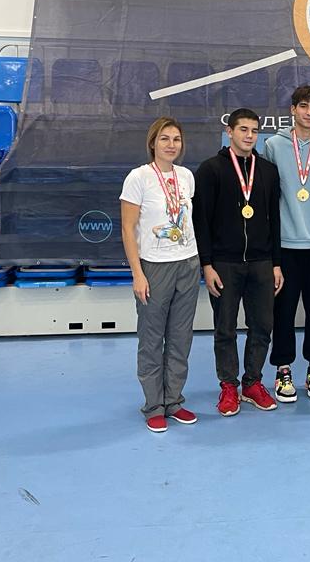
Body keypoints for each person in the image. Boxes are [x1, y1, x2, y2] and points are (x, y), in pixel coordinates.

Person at [195, 108, 284, 416]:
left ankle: (252, 383)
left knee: (262, 326)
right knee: (225, 328)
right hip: (224, 263)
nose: (249, 135)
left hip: (262, 262)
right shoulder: (210, 169)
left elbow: (275, 220)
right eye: (243, 129)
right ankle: (229, 386)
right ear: (229, 131)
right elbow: (201, 221)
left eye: (254, 130)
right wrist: (207, 264)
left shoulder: (268, 171)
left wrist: (276, 263)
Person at [120, 117, 201, 433]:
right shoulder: (138, 178)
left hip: (187, 264)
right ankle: (154, 406)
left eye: (176, 139)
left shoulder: (186, 177)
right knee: (152, 339)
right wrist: (138, 274)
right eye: (164, 138)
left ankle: (174, 402)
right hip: (154, 267)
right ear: (153, 143)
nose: (171, 144)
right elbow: (128, 229)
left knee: (181, 339)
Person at [263, 85, 310, 402]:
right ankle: (283, 370)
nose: (309, 112)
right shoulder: (273, 145)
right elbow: (268, 196)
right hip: (284, 245)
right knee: (282, 311)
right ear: (292, 109)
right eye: (303, 106)